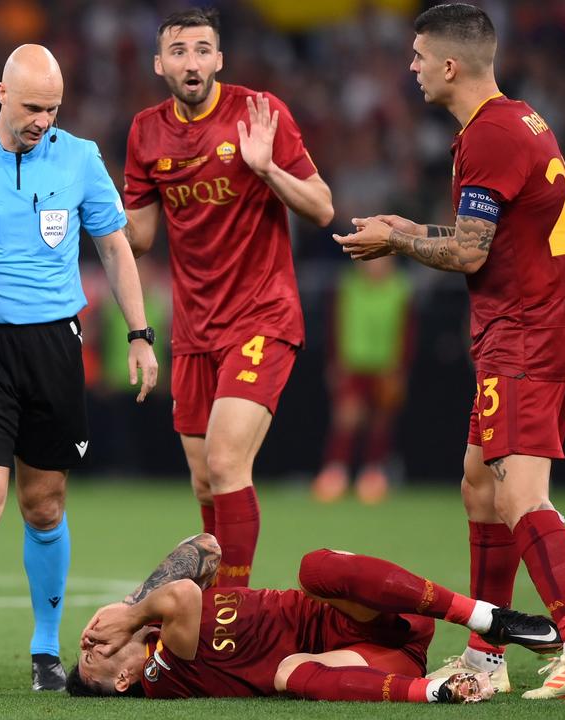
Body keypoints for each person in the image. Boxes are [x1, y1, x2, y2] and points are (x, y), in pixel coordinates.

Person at [335, 3, 565, 699]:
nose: (413, 67)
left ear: (450, 65)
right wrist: (409, 223)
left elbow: (467, 252)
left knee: (518, 493)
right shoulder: (518, 121)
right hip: (530, 327)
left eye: (419, 55)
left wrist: (396, 240)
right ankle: (487, 654)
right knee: (479, 485)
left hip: (526, 335)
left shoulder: (487, 137)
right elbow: (486, 234)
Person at [0, 44, 160, 696]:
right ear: (1, 94)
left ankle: (45, 650)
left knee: (43, 506)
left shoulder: (79, 158)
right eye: (33, 106)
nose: (44, 119)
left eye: (53, 108)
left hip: (54, 348)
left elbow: (115, 249)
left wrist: (139, 333)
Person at [123, 8, 334, 589]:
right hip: (194, 329)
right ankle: (219, 600)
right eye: (180, 51)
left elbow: (321, 208)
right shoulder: (145, 131)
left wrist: (265, 169)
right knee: (203, 481)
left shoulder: (258, 113)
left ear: (219, 59)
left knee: (225, 463)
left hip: (262, 316)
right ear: (159, 63)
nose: (192, 62)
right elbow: (138, 238)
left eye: (203, 49)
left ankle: (232, 613)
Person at [69, 536, 560, 704]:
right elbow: (180, 595)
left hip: (372, 611)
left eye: (89, 640)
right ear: (124, 680)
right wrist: (132, 612)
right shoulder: (161, 673)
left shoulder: (149, 622)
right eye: (93, 656)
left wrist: (131, 604)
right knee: (289, 674)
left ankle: (486, 617)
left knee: (315, 568)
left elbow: (206, 547)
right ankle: (440, 690)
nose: (93, 640)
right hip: (371, 660)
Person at [312, 256, 414, 504]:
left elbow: (408, 332)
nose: (375, 265)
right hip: (353, 363)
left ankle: (373, 474)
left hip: (385, 366)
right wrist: (334, 361)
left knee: (380, 421)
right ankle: (336, 472)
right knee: (347, 418)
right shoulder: (348, 285)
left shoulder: (401, 287)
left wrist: (401, 368)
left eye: (383, 259)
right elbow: (334, 325)